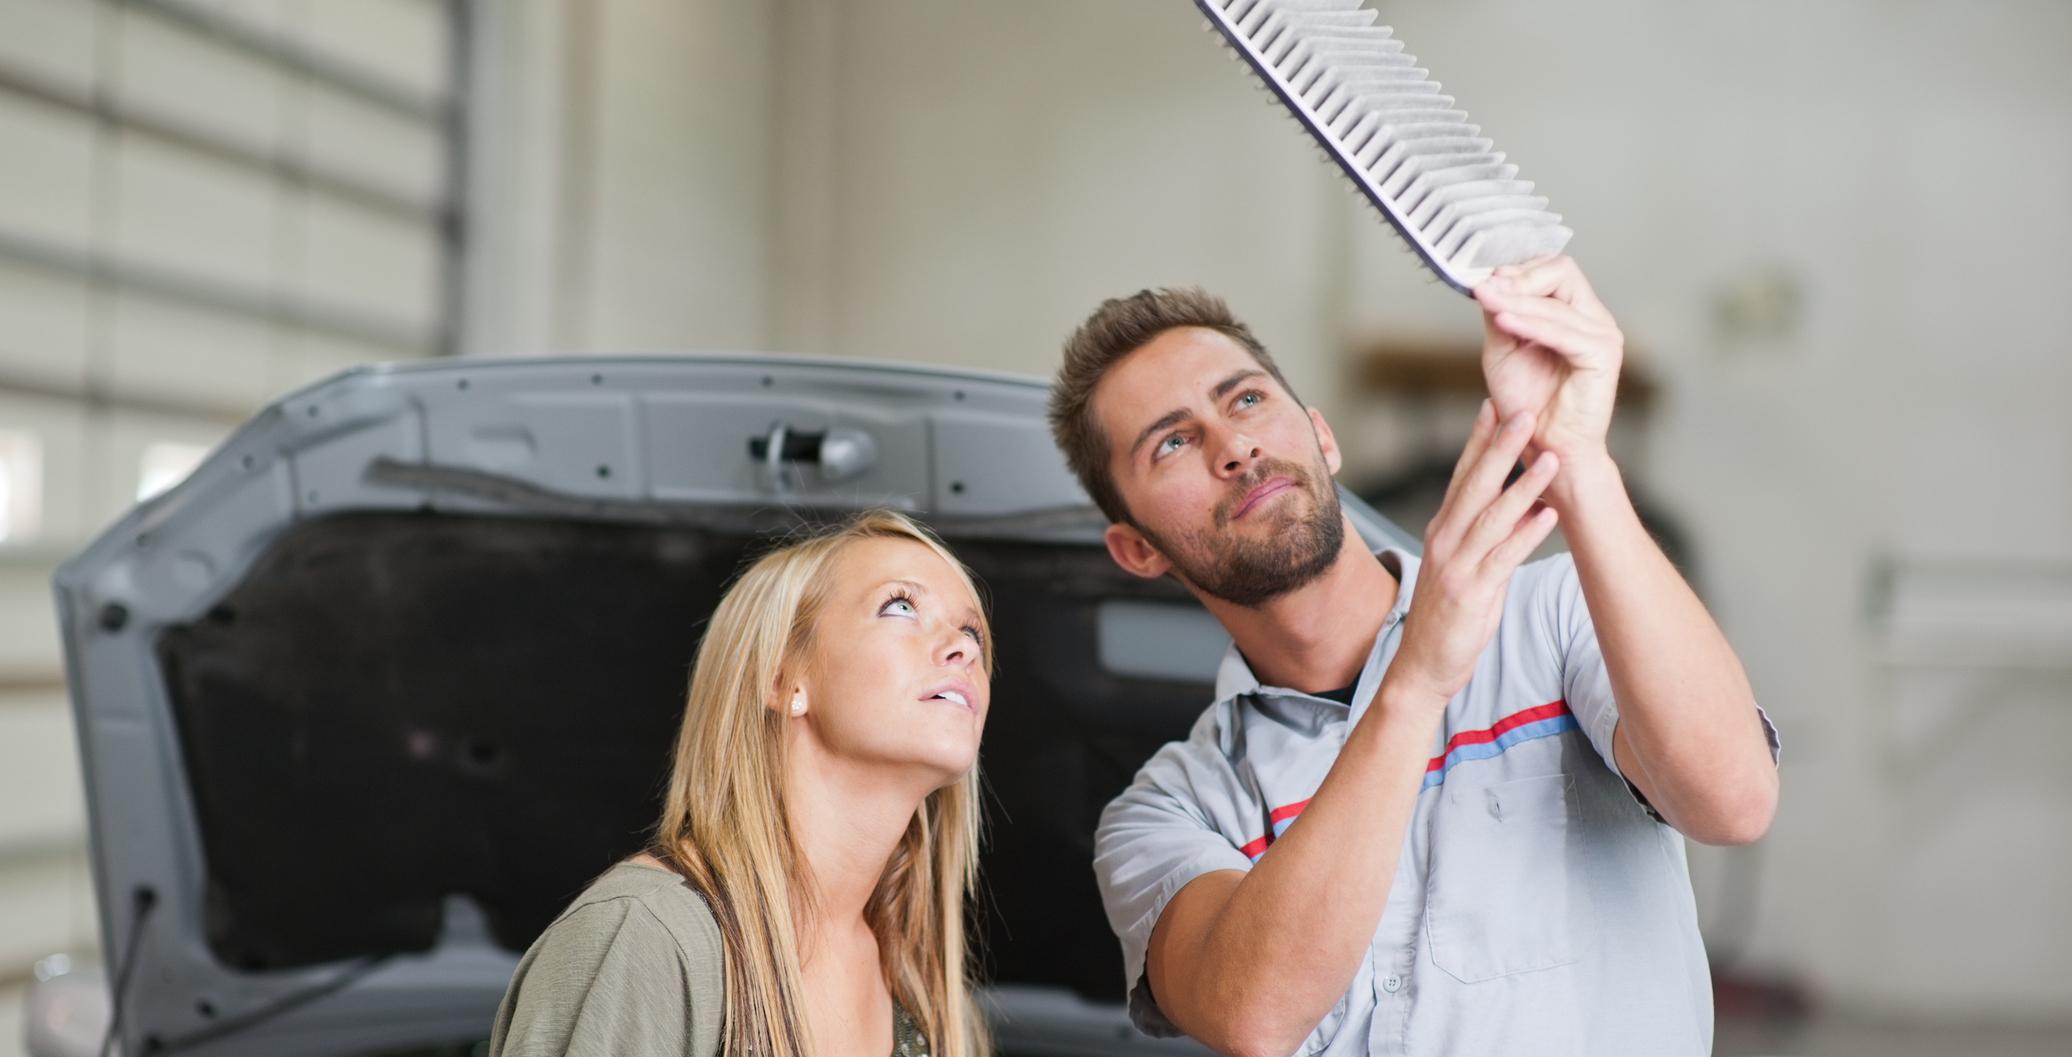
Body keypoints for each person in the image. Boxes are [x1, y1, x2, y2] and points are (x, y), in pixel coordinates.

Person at [1048, 256, 1780, 1056]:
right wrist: (1417, 677)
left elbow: (1733, 801)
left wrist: (1580, 461)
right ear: (1136, 549)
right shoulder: (1170, 809)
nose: (1235, 446)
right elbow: (1252, 1011)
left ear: (1321, 435)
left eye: (1248, 399)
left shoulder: (1559, 613)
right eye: (1174, 443)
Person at [488, 510, 994, 1057]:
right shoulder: (645, 937)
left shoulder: (922, 998)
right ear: (781, 678)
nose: (963, 648)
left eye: (972, 632)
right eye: (900, 606)